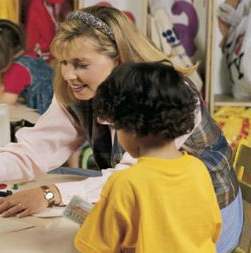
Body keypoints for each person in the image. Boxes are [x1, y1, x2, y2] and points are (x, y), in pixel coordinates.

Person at [0, 6, 242, 253]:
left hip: (195, 216)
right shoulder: (81, 92)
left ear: (118, 59)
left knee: (66, 223)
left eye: (80, 64)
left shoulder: (167, 94)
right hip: (171, 218)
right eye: (63, 63)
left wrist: (51, 196)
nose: (68, 75)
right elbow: (42, 145)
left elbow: (126, 183)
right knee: (68, 202)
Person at [74, 61, 222, 252]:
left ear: (132, 129)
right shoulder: (198, 169)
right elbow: (213, 229)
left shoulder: (125, 183)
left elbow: (92, 247)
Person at [0, 19, 54, 114]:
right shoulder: (31, 56)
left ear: (0, 55)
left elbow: (7, 102)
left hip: (44, 116)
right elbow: (9, 89)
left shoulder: (16, 69)